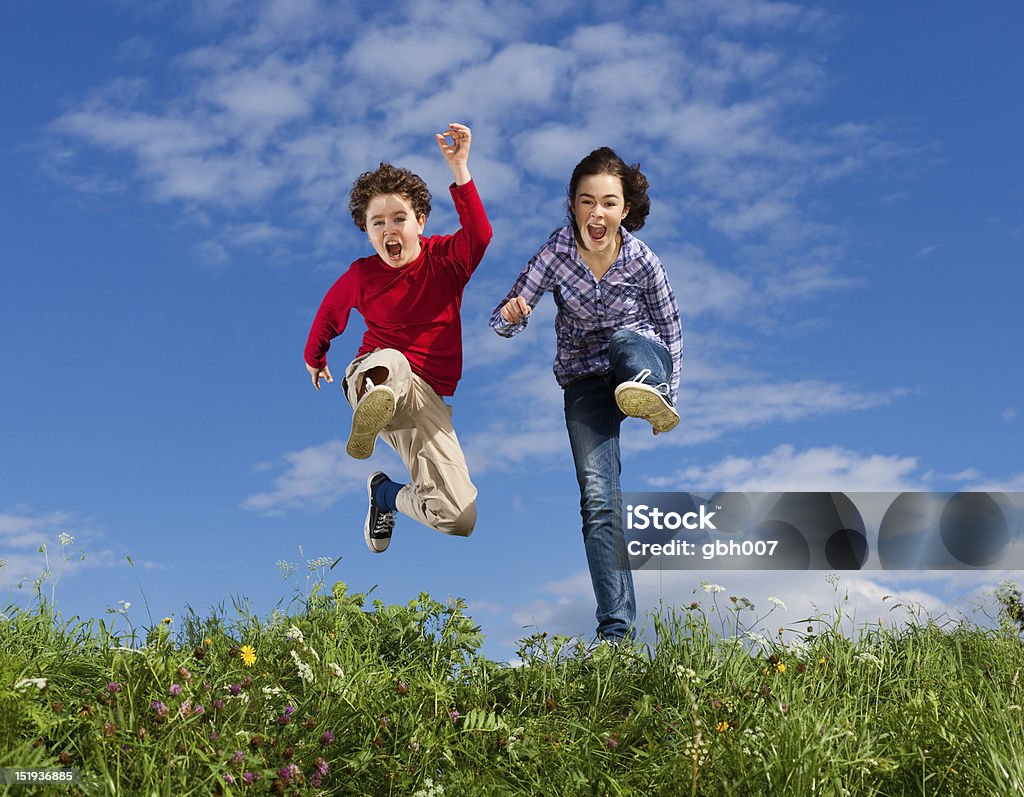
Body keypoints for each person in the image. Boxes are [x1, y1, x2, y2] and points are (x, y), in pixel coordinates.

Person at [489, 147, 683, 643]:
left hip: (637, 357)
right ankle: (616, 634)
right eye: (586, 201)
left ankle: (647, 392)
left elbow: (670, 327)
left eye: (608, 203)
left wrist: (671, 391)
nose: (597, 214)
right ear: (574, 205)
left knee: (626, 341)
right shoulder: (556, 251)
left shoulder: (643, 261)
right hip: (583, 380)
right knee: (598, 502)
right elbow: (505, 313)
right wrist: (513, 317)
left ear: (624, 210)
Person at [305, 123, 491, 554]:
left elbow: (480, 235)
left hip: (428, 401)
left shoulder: (446, 261)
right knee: (392, 362)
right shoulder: (361, 275)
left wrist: (460, 170)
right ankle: (373, 403)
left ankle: (385, 495)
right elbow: (329, 313)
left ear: (420, 222)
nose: (390, 230)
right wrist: (314, 356)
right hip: (375, 374)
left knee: (458, 515)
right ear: (368, 232)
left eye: (399, 219)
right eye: (378, 223)